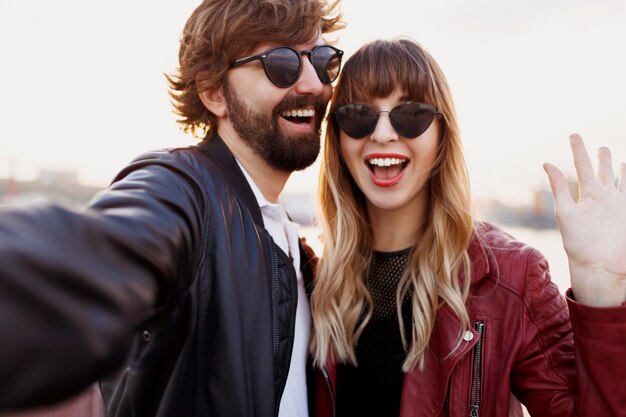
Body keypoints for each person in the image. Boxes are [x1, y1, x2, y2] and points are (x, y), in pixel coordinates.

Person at [0, 0, 344, 416]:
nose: (312, 84)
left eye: (322, 60)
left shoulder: (292, 247)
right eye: (283, 64)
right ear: (214, 92)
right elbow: (99, 255)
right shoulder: (184, 190)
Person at [309, 38, 626, 417]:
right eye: (359, 115)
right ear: (337, 139)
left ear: (443, 135)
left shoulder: (511, 278)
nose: (382, 134)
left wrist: (601, 294)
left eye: (410, 114)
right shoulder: (311, 281)